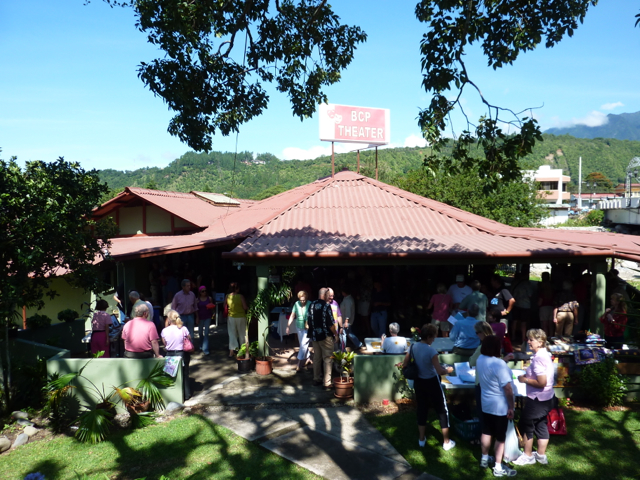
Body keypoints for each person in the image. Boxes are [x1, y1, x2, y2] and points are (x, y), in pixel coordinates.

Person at [403, 323, 455, 451]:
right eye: (434, 337)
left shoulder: (413, 346)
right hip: (432, 382)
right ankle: (446, 441)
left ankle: (421, 439)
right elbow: (439, 371)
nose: (434, 340)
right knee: (442, 410)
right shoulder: (431, 351)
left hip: (419, 382)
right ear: (430, 336)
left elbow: (405, 363)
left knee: (422, 408)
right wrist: (449, 369)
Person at [476, 335, 517, 477]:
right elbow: (508, 388)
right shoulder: (499, 364)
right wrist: (511, 407)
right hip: (500, 405)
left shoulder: (480, 359)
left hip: (486, 402)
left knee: (486, 431)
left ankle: (484, 458)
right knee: (500, 437)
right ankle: (498, 466)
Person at [513, 329, 555, 467]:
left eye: (531, 340)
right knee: (540, 424)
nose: (528, 342)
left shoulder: (538, 359)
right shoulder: (545, 355)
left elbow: (541, 382)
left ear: (540, 341)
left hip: (537, 399)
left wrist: (524, 379)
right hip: (547, 398)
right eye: (528, 339)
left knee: (527, 426)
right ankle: (541, 456)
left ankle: (528, 455)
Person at [308, 287, 339, 389]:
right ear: (325, 294)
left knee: (317, 358)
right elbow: (330, 323)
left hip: (314, 335)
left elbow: (308, 321)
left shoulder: (311, 305)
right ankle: (327, 382)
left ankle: (316, 379)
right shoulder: (326, 306)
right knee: (327, 358)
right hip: (325, 336)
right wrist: (336, 334)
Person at [162, 310, 192, 400]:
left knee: (170, 374)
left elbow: (164, 343)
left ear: (169, 319)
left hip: (170, 354)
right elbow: (189, 339)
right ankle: (187, 394)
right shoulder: (183, 329)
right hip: (182, 353)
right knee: (185, 374)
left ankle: (173, 395)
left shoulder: (164, 330)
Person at [287, 290, 311, 371]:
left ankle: (299, 363)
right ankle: (308, 358)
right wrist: (288, 326)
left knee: (303, 344)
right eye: (301, 300)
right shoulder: (296, 304)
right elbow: (292, 315)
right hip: (299, 326)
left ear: (306, 298)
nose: (302, 302)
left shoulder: (310, 304)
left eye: (304, 300)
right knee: (302, 344)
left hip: (308, 327)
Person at [171, 279, 198, 348]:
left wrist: (197, 317)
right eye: (187, 286)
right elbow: (173, 308)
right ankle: (182, 347)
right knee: (181, 333)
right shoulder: (177, 295)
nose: (189, 287)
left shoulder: (192, 294)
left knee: (191, 332)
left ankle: (190, 347)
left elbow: (195, 307)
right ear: (183, 287)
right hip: (181, 316)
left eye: (189, 286)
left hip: (190, 316)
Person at [225, 282, 248, 357]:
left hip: (231, 317)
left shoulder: (227, 296)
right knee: (242, 334)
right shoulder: (241, 296)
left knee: (232, 334)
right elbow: (245, 307)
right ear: (237, 289)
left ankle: (231, 351)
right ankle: (243, 350)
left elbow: (224, 306)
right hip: (241, 317)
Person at [510, 272, 533, 344]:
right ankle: (523, 338)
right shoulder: (527, 284)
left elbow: (511, 293)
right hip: (525, 305)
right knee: (524, 322)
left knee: (515, 321)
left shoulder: (515, 283)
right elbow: (530, 294)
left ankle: (513, 336)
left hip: (516, 304)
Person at [339, 285, 363, 350]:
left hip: (346, 321)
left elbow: (348, 311)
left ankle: (342, 348)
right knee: (349, 333)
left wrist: (346, 321)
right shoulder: (347, 298)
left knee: (343, 334)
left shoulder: (348, 300)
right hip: (346, 320)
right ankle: (358, 344)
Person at [196, 285, 214, 356]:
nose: (204, 292)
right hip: (200, 317)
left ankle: (205, 349)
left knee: (206, 333)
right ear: (200, 292)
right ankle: (201, 345)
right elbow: (196, 309)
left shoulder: (209, 298)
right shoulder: (197, 300)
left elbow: (212, 307)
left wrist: (213, 313)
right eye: (202, 291)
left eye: (205, 291)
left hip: (207, 317)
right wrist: (197, 317)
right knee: (200, 333)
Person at [537, 272, 555, 338]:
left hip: (543, 308)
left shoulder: (542, 292)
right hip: (551, 307)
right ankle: (551, 338)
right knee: (550, 325)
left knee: (544, 325)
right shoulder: (552, 291)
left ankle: (545, 338)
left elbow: (539, 302)